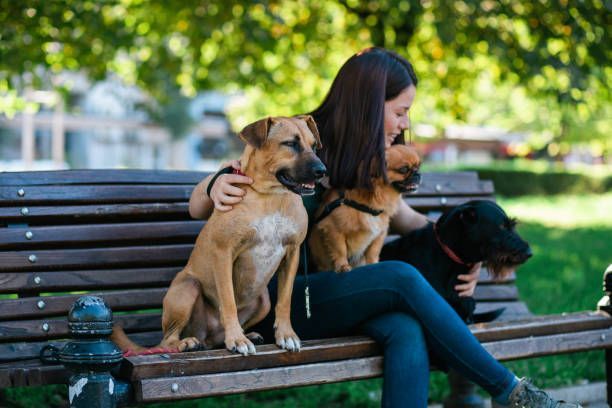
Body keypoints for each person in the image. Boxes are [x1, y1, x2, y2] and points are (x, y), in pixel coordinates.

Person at [188, 47, 581, 408]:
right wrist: (214, 184)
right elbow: (200, 202)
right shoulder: (299, 137)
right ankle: (516, 394)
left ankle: (515, 394)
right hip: (280, 302)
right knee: (398, 277)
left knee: (403, 327)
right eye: (400, 111)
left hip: (338, 295)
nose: (405, 122)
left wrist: (467, 257)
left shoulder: (370, 157)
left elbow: (409, 220)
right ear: (370, 106)